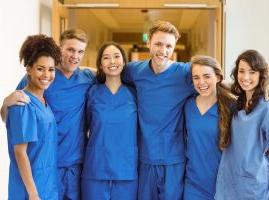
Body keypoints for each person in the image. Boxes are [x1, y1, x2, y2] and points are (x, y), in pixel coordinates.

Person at [1, 29, 95, 200]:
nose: (75, 56)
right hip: (45, 164)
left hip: (75, 164)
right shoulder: (41, 77)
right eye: (70, 50)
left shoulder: (87, 77)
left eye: (80, 51)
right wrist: (5, 102)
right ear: (59, 49)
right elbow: (13, 117)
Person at [123, 20, 194, 200]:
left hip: (174, 160)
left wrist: (263, 88)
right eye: (158, 44)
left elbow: (215, 79)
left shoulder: (185, 73)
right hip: (145, 158)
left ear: (174, 47)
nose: (163, 51)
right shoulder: (134, 71)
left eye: (169, 46)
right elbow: (105, 70)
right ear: (149, 43)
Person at [214, 49, 269, 200]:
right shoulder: (237, 103)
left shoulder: (268, 108)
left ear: (261, 74)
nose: (245, 77)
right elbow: (215, 81)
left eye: (252, 72)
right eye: (241, 71)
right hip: (229, 184)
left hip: (256, 189)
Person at [6, 34, 61, 199]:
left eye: (51, 69)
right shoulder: (22, 103)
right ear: (29, 69)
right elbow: (20, 152)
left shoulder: (43, 101)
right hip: (30, 190)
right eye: (40, 68)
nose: (46, 75)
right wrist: (33, 194)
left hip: (47, 184)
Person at [81, 42, 138, 199]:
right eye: (106, 58)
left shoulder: (134, 94)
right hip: (96, 168)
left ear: (124, 62)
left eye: (116, 56)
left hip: (126, 171)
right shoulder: (92, 93)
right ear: (100, 64)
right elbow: (83, 127)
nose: (112, 61)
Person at [183, 55, 235, 199]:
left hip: (224, 184)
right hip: (193, 185)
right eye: (196, 77)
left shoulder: (232, 106)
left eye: (207, 76)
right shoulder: (188, 106)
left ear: (218, 77)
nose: (201, 82)